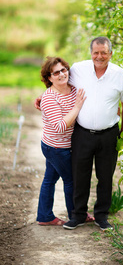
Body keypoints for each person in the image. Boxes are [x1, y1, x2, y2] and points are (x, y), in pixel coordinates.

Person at [35, 37, 123, 230]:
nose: (99, 56)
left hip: (109, 134)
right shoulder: (78, 70)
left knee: (105, 177)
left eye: (104, 52)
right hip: (82, 134)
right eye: (96, 52)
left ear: (111, 53)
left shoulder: (121, 75)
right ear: (91, 53)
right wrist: (42, 97)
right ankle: (77, 215)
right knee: (79, 176)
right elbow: (56, 82)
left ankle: (101, 217)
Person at [36, 56, 93, 226]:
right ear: (49, 78)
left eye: (63, 70)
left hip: (65, 145)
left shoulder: (74, 89)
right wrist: (76, 107)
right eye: (56, 72)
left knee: (50, 179)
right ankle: (76, 215)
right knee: (72, 180)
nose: (61, 74)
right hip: (55, 147)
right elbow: (60, 127)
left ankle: (45, 216)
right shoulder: (49, 98)